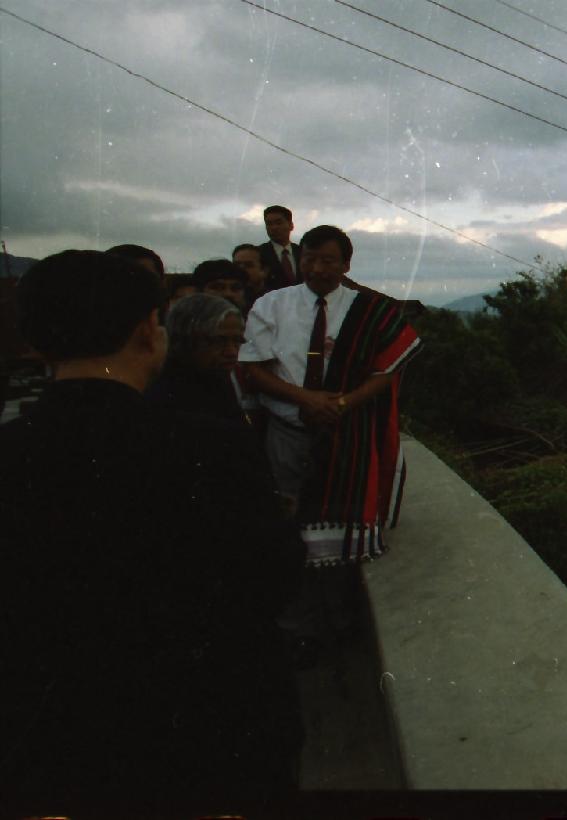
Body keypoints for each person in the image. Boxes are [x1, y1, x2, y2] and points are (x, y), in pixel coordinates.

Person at [1, 250, 305, 795]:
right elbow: (273, 576)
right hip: (207, 734)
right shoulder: (210, 447)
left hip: (51, 746)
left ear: (35, 342)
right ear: (149, 332)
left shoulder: (13, 452)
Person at [239, 225, 419, 660]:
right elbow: (254, 369)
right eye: (310, 259)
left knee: (339, 530)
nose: (318, 268)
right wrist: (306, 399)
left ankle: (339, 624)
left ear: (346, 264)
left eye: (328, 261)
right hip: (286, 436)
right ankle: (296, 628)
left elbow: (387, 370)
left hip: (346, 439)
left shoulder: (368, 309)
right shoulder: (272, 304)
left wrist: (341, 403)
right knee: (288, 531)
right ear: (300, 259)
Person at [147, 292, 249, 426]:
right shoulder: (165, 400)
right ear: (184, 341)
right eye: (218, 341)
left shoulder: (218, 379)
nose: (232, 352)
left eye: (237, 341)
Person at [258, 205, 301, 291]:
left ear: (291, 225)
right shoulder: (258, 253)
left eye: (279, 223)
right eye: (269, 224)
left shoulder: (302, 252)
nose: (274, 228)